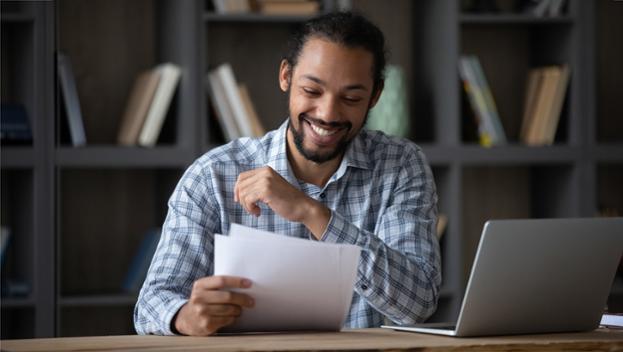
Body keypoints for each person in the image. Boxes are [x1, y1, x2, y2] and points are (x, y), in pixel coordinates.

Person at [134, 11, 441, 336]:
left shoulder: (400, 165)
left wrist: (313, 214)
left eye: (351, 98)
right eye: (312, 91)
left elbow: (417, 304)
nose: (328, 114)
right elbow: (152, 304)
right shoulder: (213, 175)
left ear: (375, 96)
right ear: (286, 77)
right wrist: (185, 317)